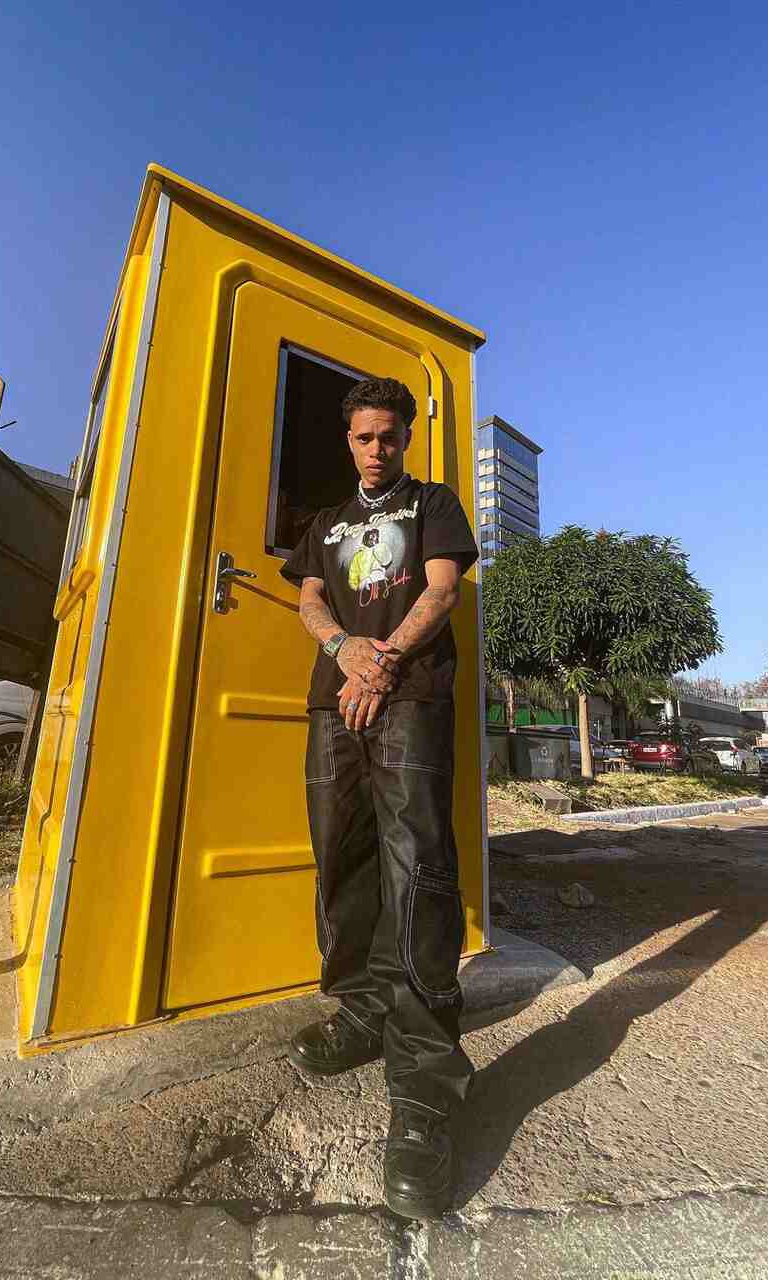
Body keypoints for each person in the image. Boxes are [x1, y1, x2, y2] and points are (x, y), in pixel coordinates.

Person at [280, 376, 479, 1219]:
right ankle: (366, 1011)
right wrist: (342, 650)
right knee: (343, 854)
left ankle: (426, 1085)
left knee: (418, 868)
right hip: (335, 700)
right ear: (349, 439)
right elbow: (310, 596)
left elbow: (439, 590)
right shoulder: (326, 522)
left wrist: (383, 661)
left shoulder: (431, 502)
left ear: (403, 438)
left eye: (388, 436)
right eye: (363, 437)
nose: (375, 448)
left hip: (409, 695)